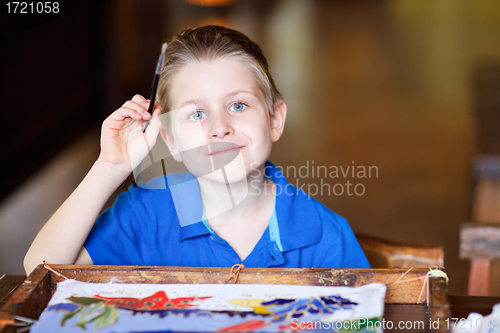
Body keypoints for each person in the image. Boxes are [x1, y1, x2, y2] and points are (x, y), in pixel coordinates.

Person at [24, 25, 369, 275]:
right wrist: (110, 167)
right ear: (171, 139)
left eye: (237, 105)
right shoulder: (148, 214)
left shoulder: (324, 234)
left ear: (275, 119)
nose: (219, 127)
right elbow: (41, 271)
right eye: (196, 113)